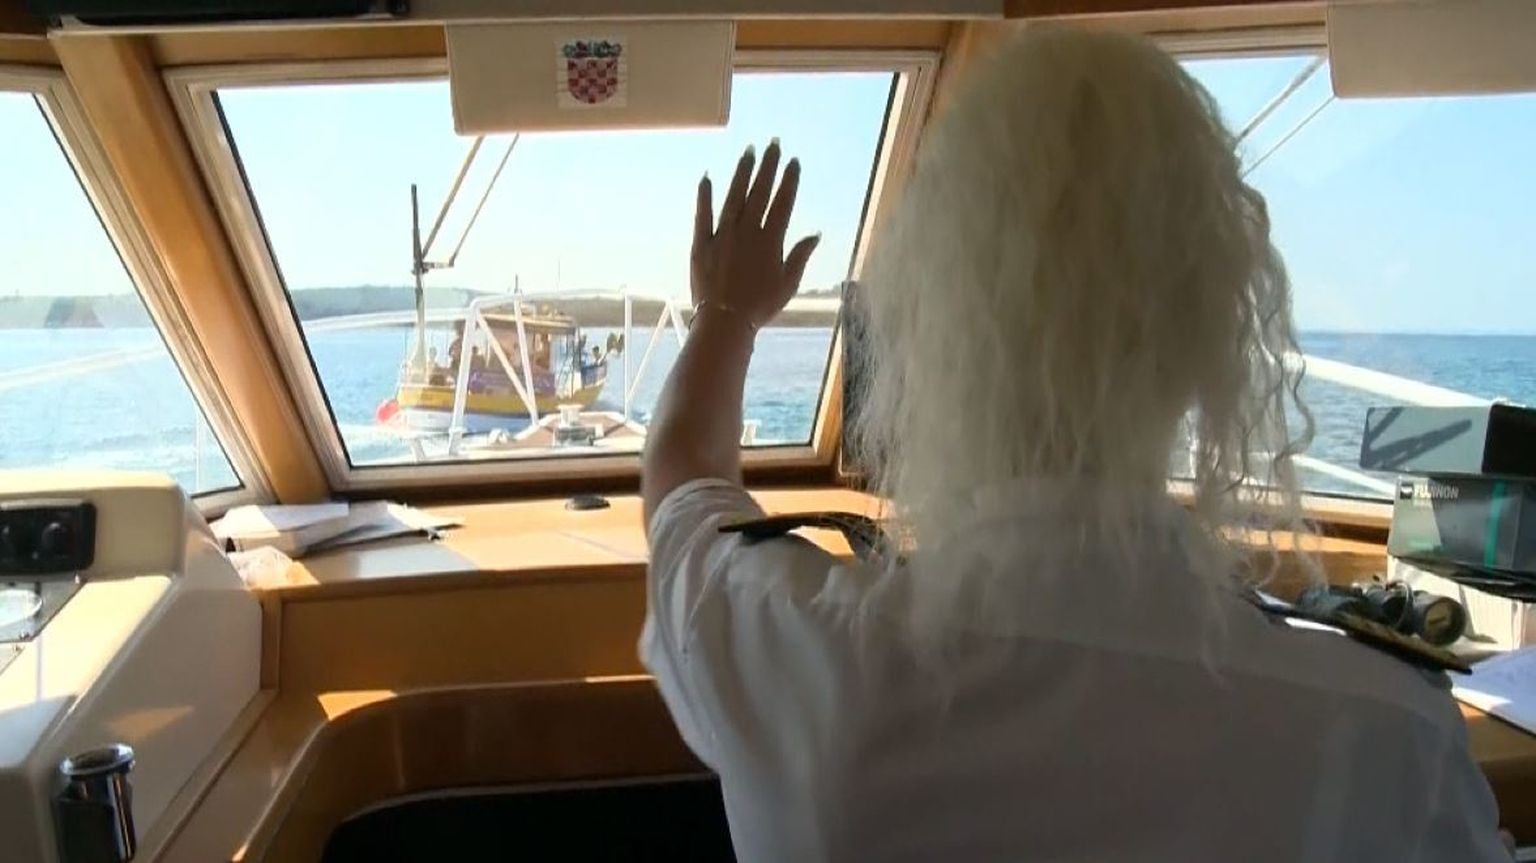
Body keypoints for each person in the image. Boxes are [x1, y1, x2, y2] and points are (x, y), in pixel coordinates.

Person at [640, 28, 1508, 863]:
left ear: (924, 335)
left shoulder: (793, 656)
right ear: (1204, 341)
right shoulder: (1384, 733)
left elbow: (682, 484)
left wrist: (726, 313)